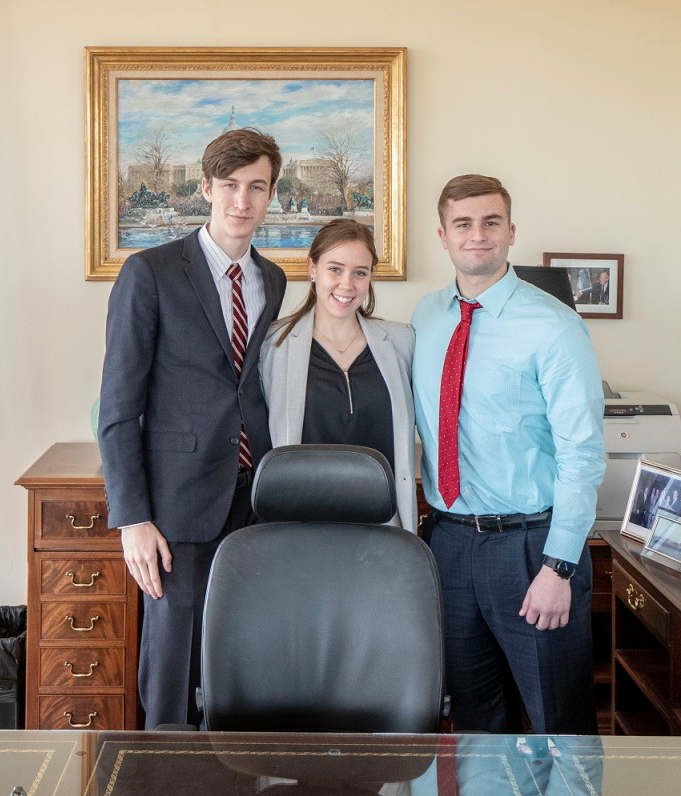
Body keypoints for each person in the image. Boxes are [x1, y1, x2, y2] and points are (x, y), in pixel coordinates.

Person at [98, 128, 287, 729]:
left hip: (252, 496)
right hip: (175, 506)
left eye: (257, 187)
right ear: (205, 188)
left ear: (271, 195)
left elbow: (249, 386)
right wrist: (133, 517)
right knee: (173, 670)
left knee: (239, 659)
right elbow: (118, 406)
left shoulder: (274, 280)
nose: (242, 200)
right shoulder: (149, 272)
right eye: (230, 185)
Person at [411, 174, 606, 735]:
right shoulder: (426, 318)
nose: (478, 235)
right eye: (463, 224)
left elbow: (582, 454)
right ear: (442, 236)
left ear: (511, 231)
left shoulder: (554, 326)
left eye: (491, 222)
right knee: (472, 722)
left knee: (557, 722)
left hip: (532, 548)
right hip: (446, 543)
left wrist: (558, 565)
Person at [260, 219, 417, 532]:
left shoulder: (402, 341)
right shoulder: (271, 346)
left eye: (360, 272)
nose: (347, 284)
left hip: (383, 528)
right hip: (301, 527)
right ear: (312, 269)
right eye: (335, 269)